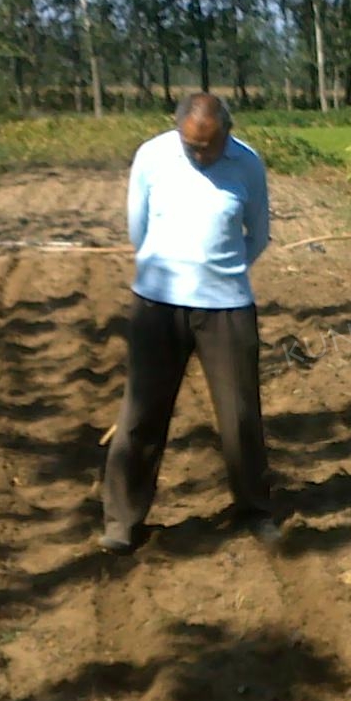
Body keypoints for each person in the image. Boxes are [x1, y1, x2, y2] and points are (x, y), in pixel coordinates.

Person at [101, 92, 280, 551]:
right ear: (177, 130)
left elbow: (258, 234)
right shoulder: (151, 157)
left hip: (227, 308)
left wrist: (220, 274)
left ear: (228, 133)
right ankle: (122, 522)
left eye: (209, 146)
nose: (200, 155)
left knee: (240, 417)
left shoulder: (247, 164)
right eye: (191, 146)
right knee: (141, 415)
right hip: (157, 305)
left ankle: (255, 510)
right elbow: (138, 229)